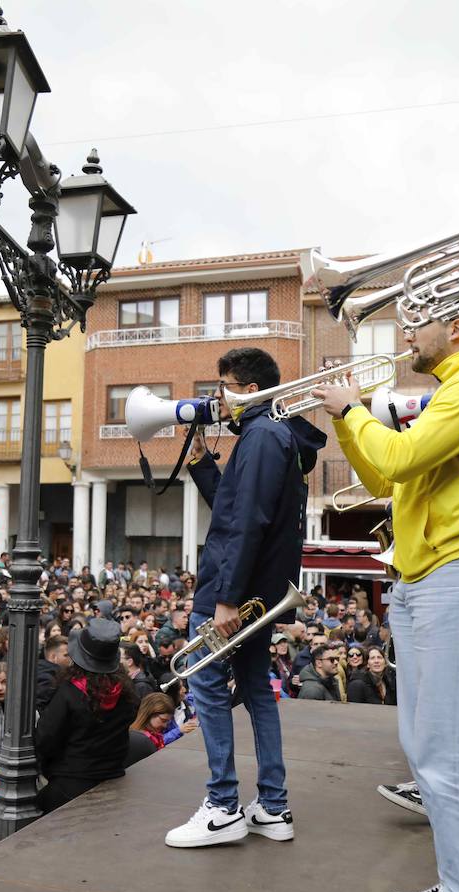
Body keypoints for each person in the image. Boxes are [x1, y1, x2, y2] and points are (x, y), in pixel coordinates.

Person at [315, 298, 459, 892]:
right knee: (427, 746)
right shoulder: (452, 390)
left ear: (457, 328)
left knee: (450, 753)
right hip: (432, 571)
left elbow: (398, 458)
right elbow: (385, 481)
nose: (407, 335)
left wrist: (351, 409)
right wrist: (348, 422)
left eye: (418, 323)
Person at [165, 347, 324, 849]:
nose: (218, 397)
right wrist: (200, 464)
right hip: (258, 589)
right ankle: (272, 807)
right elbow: (237, 508)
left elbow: (246, 523)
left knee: (207, 685)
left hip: (233, 589)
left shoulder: (260, 435)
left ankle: (223, 806)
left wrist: (227, 597)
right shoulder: (276, 434)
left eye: (225, 386)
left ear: (250, 390)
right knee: (255, 689)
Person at [34, 618, 138, 813]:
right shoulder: (127, 691)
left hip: (71, 783)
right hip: (112, 776)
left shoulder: (69, 693)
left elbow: (45, 738)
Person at [131, 693, 195, 750]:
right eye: (163, 720)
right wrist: (178, 731)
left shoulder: (156, 732)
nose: (165, 725)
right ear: (149, 714)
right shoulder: (139, 740)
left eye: (168, 721)